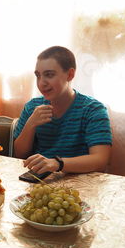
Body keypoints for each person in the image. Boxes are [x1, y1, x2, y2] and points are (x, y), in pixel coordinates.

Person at [13, 46, 112, 174]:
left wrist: (57, 163)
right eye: (38, 76)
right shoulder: (32, 107)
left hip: (80, 183)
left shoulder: (93, 109)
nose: (41, 83)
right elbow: (18, 154)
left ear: (70, 74)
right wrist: (30, 125)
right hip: (39, 182)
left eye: (49, 75)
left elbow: (100, 160)